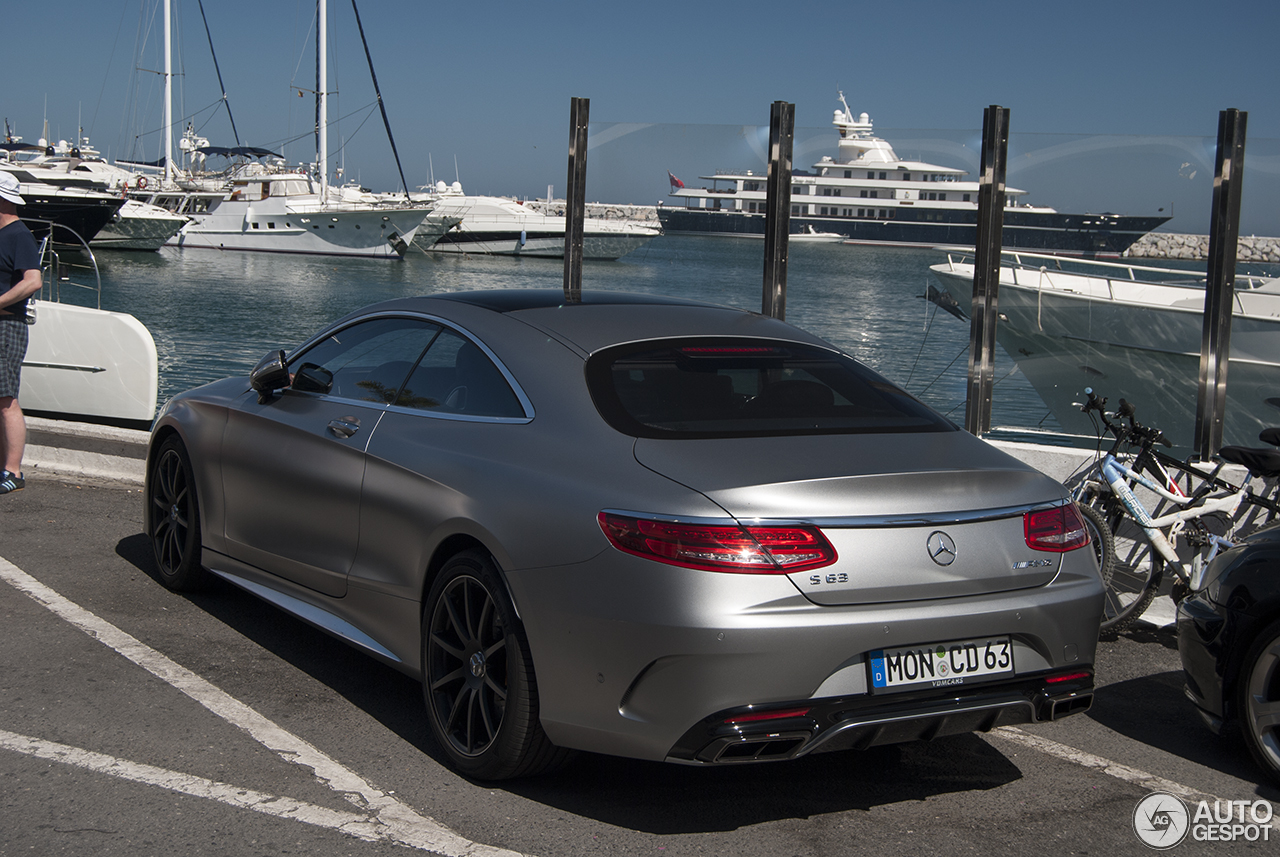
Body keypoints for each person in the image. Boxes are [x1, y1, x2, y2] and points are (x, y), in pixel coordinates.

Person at [0, 172, 43, 495]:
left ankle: (13, 471)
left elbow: (32, 280)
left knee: (5, 399)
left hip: (6, 325)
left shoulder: (18, 234)